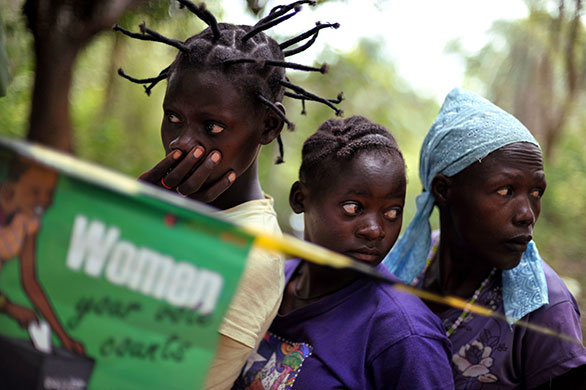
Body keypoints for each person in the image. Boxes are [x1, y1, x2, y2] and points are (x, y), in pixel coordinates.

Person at [114, 1, 342, 388]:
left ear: (268, 127)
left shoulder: (249, 254)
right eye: (173, 118)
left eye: (213, 126)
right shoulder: (164, 204)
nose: (182, 143)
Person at [384, 87, 586, 389]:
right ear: (443, 190)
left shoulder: (545, 309)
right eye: (505, 191)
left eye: (535, 192)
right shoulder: (409, 268)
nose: (527, 214)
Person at [233, 116, 455, 390]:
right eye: (353, 207)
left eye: (391, 212)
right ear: (300, 199)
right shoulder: (271, 280)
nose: (375, 230)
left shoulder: (406, 335)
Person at [0, 158, 85, 354]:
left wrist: (65, 339)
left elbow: (30, 281)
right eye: (35, 191)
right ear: (11, 184)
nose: (44, 201)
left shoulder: (27, 221)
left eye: (50, 193)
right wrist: (8, 306)